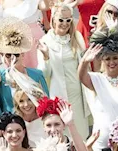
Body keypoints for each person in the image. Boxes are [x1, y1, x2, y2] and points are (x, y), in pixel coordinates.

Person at [79, 28, 118, 151]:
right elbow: (81, 77)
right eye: (107, 59)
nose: (112, 62)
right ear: (102, 59)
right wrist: (84, 62)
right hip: (102, 143)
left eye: (115, 58)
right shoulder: (97, 79)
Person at [39, 3, 91, 143]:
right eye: (61, 19)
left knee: (80, 134)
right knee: (62, 137)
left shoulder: (77, 37)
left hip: (78, 95)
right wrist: (45, 57)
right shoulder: (45, 41)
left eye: (68, 20)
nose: (65, 23)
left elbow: (86, 66)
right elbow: (44, 74)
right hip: (59, 96)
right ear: (54, 19)